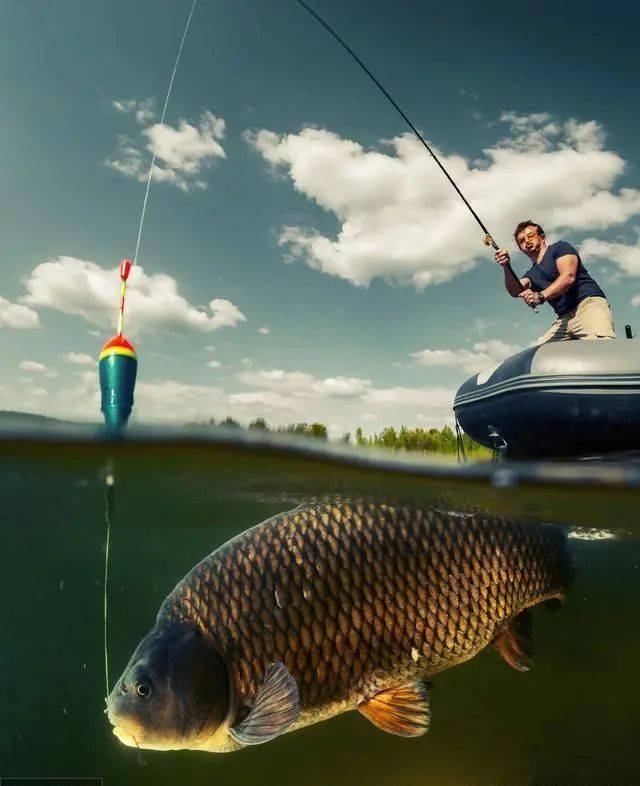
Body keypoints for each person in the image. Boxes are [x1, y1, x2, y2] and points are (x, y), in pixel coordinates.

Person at [494, 220, 615, 343]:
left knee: (603, 347)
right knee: (540, 354)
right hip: (563, 319)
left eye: (530, 236)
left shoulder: (560, 248)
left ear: (542, 237)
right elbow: (515, 291)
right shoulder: (531, 274)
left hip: (587, 305)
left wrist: (540, 296)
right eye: (521, 241)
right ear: (520, 248)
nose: (527, 241)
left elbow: (568, 277)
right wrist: (506, 266)